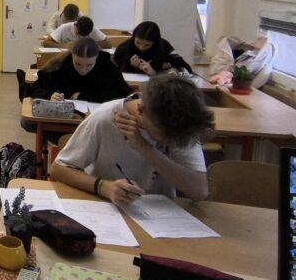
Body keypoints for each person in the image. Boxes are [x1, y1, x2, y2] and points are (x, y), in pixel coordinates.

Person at [50, 74, 213, 206]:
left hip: (160, 214)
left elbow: (199, 192)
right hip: (108, 207)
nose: (169, 143)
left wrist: (145, 147)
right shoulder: (105, 118)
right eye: (162, 136)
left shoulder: (180, 126)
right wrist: (103, 187)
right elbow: (59, 168)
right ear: (141, 109)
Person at [32, 38, 132, 103]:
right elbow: (35, 88)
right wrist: (49, 96)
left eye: (89, 65)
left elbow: (124, 94)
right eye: (78, 64)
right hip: (62, 117)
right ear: (71, 56)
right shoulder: (59, 65)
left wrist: (84, 96)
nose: (83, 70)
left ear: (97, 58)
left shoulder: (107, 67)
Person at [113, 21, 194, 76]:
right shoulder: (124, 48)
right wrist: (132, 66)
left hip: (158, 86)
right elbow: (117, 73)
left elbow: (186, 68)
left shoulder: (164, 46)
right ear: (134, 37)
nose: (141, 47)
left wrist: (156, 72)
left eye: (147, 45)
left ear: (155, 42)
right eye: (138, 43)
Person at [44, 15, 111, 48]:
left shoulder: (92, 29)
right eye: (79, 34)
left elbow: (108, 44)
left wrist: (90, 45)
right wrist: (64, 45)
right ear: (75, 25)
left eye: (83, 35)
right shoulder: (65, 27)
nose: (80, 37)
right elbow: (46, 42)